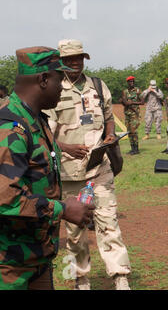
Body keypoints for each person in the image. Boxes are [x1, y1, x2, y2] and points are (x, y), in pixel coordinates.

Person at [0, 46, 94, 290]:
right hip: (9, 267)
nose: (63, 87)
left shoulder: (37, 121)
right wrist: (61, 209)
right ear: (43, 80)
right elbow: (6, 199)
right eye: (59, 79)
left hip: (37, 258)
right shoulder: (9, 128)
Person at [44, 39, 131, 290]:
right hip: (69, 173)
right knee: (75, 231)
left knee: (108, 222)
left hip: (99, 167)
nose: (75, 64)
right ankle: (80, 279)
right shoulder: (53, 89)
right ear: (60, 61)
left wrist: (110, 136)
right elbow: (45, 134)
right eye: (69, 59)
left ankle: (120, 277)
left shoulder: (97, 85)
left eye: (79, 58)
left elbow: (108, 117)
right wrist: (67, 147)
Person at [121, 76, 143, 154]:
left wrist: (132, 102)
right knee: (129, 131)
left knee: (134, 131)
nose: (131, 83)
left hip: (135, 114)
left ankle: (136, 149)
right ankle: (132, 148)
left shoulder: (137, 91)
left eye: (133, 81)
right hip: (127, 114)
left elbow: (142, 102)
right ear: (127, 82)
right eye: (130, 81)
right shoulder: (125, 91)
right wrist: (124, 102)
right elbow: (124, 101)